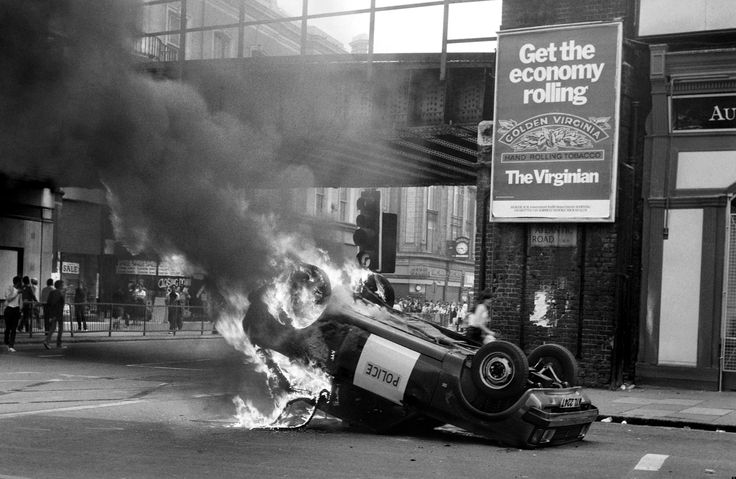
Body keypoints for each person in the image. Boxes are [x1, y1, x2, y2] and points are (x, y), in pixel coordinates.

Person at [43, 280, 66, 349]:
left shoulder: (52, 292)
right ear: (60, 286)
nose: (63, 286)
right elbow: (58, 303)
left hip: (53, 313)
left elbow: (49, 302)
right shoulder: (59, 293)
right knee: (60, 329)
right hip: (58, 313)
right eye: (63, 284)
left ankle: (47, 341)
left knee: (53, 328)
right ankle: (58, 343)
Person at [4, 276, 22, 352]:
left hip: (16, 309)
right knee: (8, 328)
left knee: (14, 328)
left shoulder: (19, 291)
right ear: (17, 282)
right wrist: (16, 293)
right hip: (9, 309)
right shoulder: (9, 288)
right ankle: (6, 342)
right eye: (20, 282)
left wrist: (21, 309)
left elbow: (20, 301)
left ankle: (11, 345)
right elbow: (8, 298)